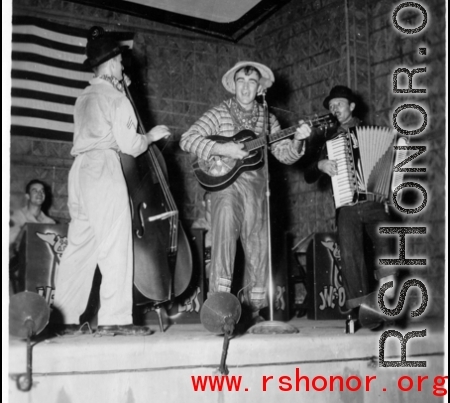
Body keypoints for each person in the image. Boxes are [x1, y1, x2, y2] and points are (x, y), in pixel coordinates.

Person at [53, 26, 170, 336]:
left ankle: (63, 318)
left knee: (80, 246)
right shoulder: (117, 98)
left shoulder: (85, 95)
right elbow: (131, 145)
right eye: (120, 62)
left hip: (79, 171)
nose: (123, 67)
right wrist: (151, 136)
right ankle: (115, 318)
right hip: (104, 167)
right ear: (112, 62)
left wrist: (119, 90)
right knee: (115, 245)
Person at [180, 61, 311, 326]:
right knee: (225, 237)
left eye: (252, 82)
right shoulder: (219, 113)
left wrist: (299, 138)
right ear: (234, 84)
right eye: (241, 80)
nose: (246, 87)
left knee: (258, 244)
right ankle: (219, 307)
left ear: (260, 87)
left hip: (257, 187)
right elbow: (187, 139)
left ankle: (253, 308)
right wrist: (223, 149)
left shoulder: (268, 118)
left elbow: (284, 154)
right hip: (225, 185)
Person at [304, 85, 397, 315]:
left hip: (375, 203)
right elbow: (308, 175)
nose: (334, 108)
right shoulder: (329, 139)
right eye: (331, 106)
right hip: (347, 205)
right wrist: (320, 165)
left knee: (386, 248)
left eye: (339, 104)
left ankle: (388, 303)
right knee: (349, 255)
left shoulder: (372, 130)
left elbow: (394, 165)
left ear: (352, 106)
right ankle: (362, 309)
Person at [9, 179, 56, 293]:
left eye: (42, 191)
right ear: (27, 196)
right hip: (18, 271)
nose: (39, 193)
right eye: (35, 190)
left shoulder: (50, 223)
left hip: (42, 272)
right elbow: (10, 247)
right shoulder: (16, 216)